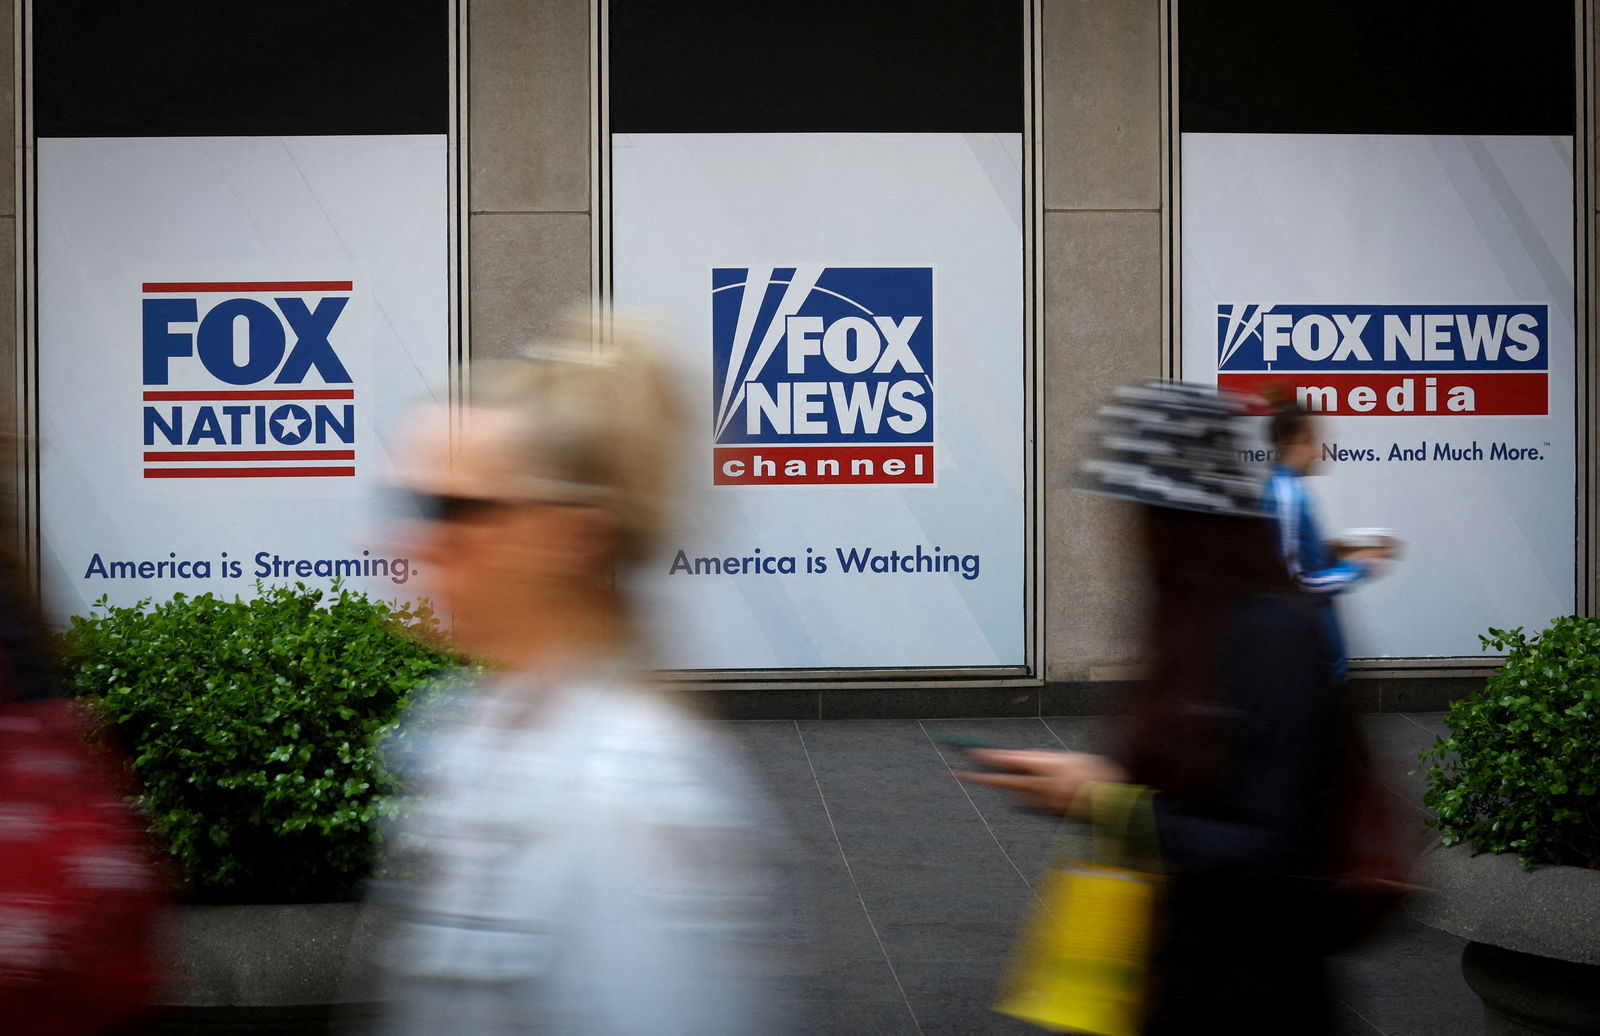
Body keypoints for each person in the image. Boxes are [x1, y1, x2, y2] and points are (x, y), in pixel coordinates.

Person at [365, 315, 785, 1035]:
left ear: (568, 535)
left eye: (449, 508)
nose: (408, 542)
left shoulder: (628, 796)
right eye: (406, 503)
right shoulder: (461, 726)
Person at [960, 382, 1392, 1035]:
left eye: (1143, 513)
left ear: (1185, 524)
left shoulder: (1272, 633)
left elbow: (1274, 849)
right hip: (1171, 982)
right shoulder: (1187, 631)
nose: (1127, 533)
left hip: (1256, 1000)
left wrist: (1102, 801)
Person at [1262, 395, 1388, 681]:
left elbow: (1299, 560)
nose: (1319, 452)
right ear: (1293, 441)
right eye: (1312, 440)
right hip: (1308, 665)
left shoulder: (1289, 491)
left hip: (1313, 662)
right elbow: (1298, 581)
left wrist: (1338, 552)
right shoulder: (1286, 496)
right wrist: (1360, 567)